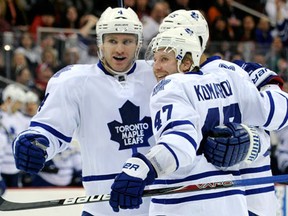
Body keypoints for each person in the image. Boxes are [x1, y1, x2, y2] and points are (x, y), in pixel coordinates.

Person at [109, 26, 288, 215]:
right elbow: (276, 114)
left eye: (164, 59)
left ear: (186, 63)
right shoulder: (229, 79)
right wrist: (270, 86)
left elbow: (180, 142)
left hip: (184, 205)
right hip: (231, 203)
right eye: (155, 60)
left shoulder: (171, 86)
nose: (156, 67)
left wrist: (141, 168)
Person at [12, 7, 157, 216]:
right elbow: (50, 129)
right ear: (100, 43)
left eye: (127, 41)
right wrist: (33, 143)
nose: (120, 49)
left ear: (138, 44)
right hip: (102, 208)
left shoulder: (158, 74)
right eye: (112, 41)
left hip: (158, 207)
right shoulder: (75, 81)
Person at [157, 9, 281, 216]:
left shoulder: (237, 70)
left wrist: (252, 140)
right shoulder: (163, 78)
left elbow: (278, 113)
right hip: (200, 200)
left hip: (252, 193)